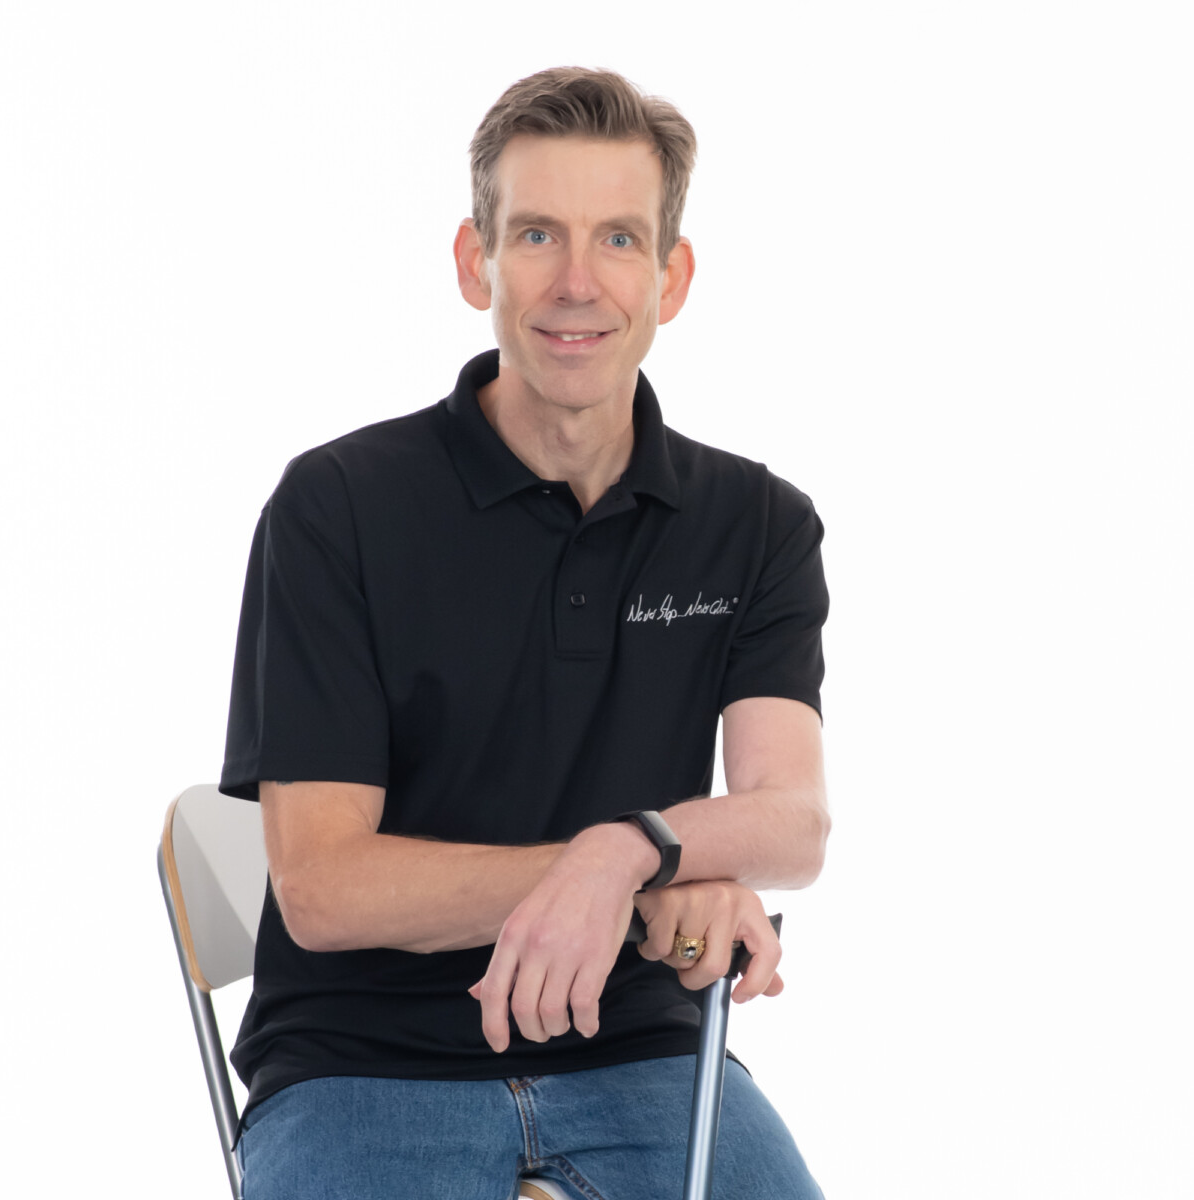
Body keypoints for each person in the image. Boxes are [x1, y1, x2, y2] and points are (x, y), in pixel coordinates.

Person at [220, 66, 829, 1200]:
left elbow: (791, 819)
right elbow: (324, 889)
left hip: (640, 1047)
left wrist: (628, 849)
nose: (577, 283)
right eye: (539, 233)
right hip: (362, 1065)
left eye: (618, 239)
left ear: (671, 277)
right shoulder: (337, 508)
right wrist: (638, 883)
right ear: (475, 261)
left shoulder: (757, 526)